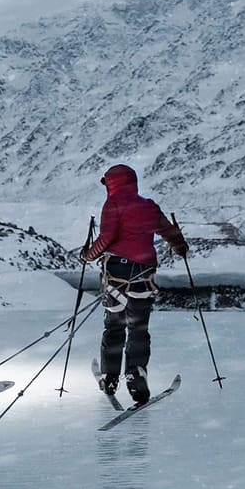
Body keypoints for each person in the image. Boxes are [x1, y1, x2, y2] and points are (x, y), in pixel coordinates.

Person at [81, 163, 188, 405]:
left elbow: (107, 238)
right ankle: (136, 375)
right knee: (138, 328)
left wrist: (88, 255)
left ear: (112, 183)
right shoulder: (148, 206)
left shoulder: (113, 204)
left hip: (116, 275)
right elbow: (169, 232)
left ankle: (110, 378)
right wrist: (180, 247)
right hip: (143, 275)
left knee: (114, 326)